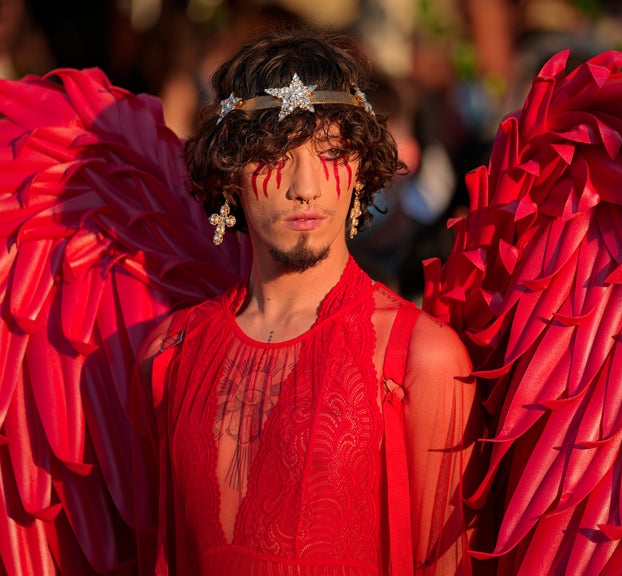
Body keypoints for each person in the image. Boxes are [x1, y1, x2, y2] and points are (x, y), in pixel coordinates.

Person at [137, 31, 480, 575]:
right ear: (229, 174)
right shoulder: (169, 355)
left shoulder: (421, 358)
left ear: (361, 167)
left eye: (332, 153)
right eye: (274, 154)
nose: (306, 186)